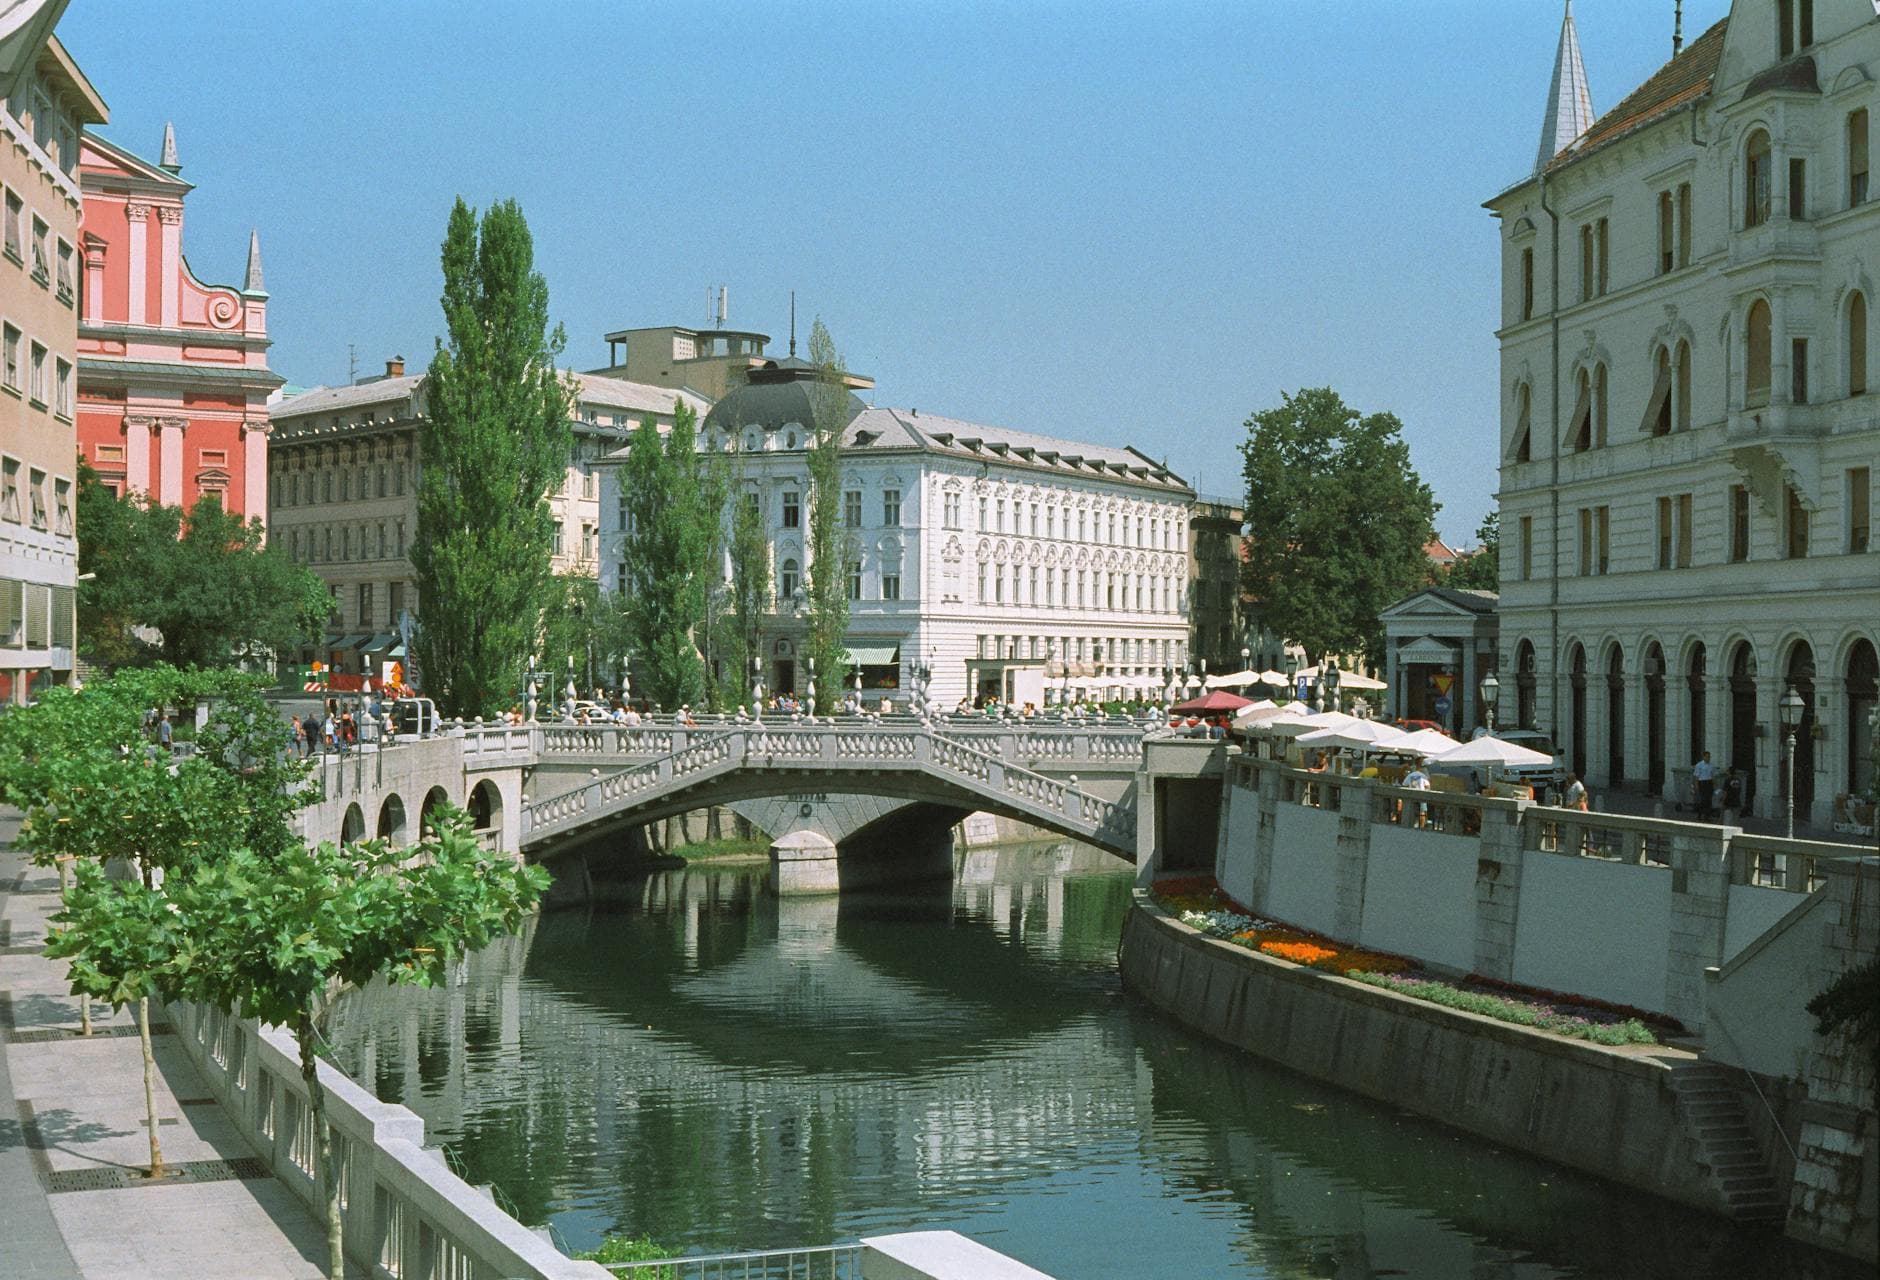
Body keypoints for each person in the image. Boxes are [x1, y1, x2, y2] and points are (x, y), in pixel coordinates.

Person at [1692, 750, 1717, 821]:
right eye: (1707, 757)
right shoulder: (1699, 765)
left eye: (1709, 757)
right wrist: (1696, 786)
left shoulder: (1711, 765)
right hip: (1702, 783)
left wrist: (1714, 785)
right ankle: (1699, 815)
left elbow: (1713, 776)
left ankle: (1707, 816)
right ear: (1703, 757)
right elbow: (1696, 776)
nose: (1708, 758)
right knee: (1702, 800)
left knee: (1709, 800)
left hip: (1709, 783)